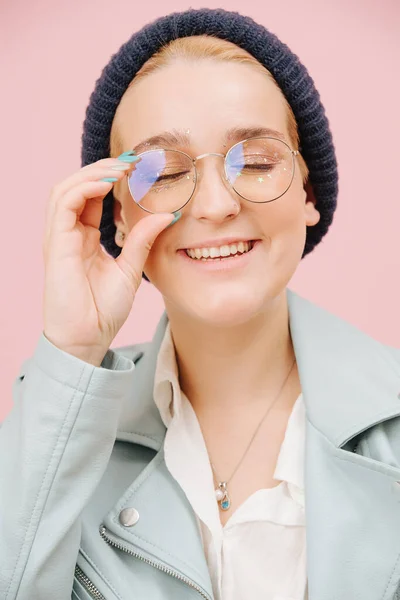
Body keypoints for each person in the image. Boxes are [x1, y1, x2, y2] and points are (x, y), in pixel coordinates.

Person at [1, 7, 400, 600]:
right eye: (161, 173)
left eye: (257, 162)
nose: (215, 205)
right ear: (117, 215)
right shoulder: (57, 427)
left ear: (309, 193)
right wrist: (74, 350)